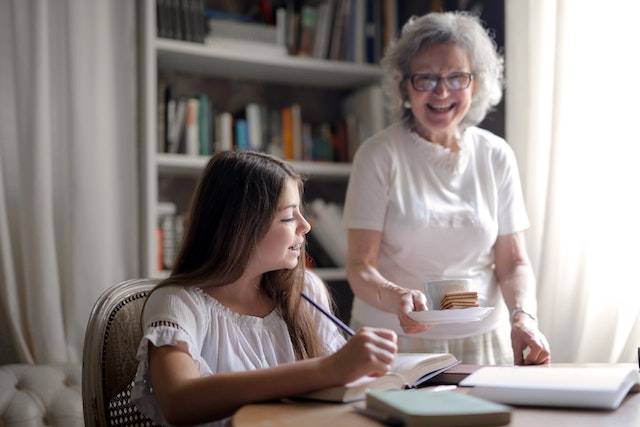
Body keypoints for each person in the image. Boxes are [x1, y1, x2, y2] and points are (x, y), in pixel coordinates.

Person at [343, 11, 550, 366]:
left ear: (476, 83)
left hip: (483, 337)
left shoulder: (496, 154)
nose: (441, 91)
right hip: (392, 338)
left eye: (457, 77)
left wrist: (523, 316)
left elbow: (513, 262)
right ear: (404, 85)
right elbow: (360, 267)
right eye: (425, 78)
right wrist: (396, 298)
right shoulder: (378, 155)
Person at [132, 151, 397, 426]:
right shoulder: (179, 304)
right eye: (287, 218)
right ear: (239, 227)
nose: (305, 226)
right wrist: (327, 369)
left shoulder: (305, 291)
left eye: (300, 213)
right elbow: (179, 401)